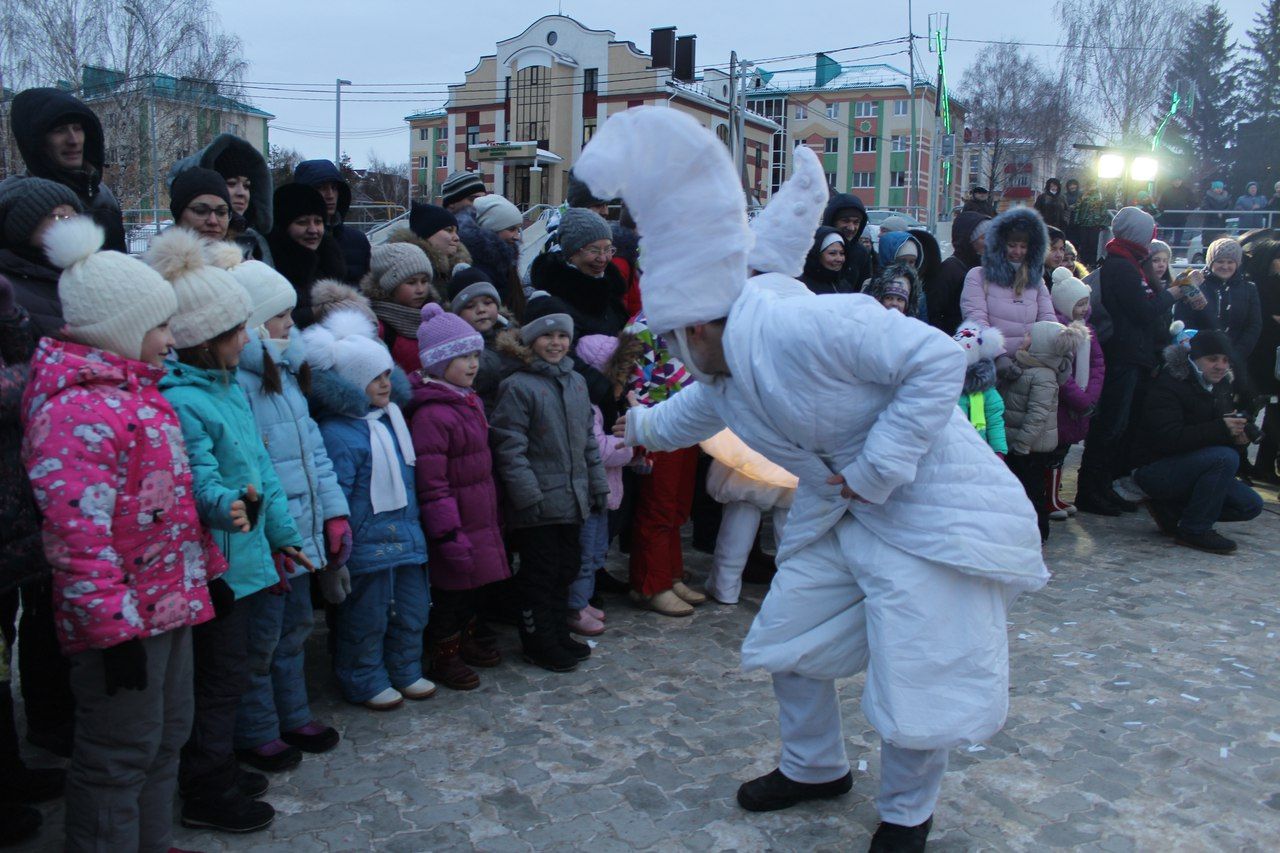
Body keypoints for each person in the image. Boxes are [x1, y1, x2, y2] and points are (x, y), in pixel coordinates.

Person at [580, 106, 1046, 850]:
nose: (672, 348)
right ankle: (813, 765)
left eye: (673, 335)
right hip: (841, 512)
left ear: (700, 322)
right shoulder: (725, 369)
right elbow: (684, 414)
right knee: (790, 639)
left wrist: (877, 467)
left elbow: (932, 359)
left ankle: (905, 814)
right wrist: (624, 429)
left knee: (921, 672)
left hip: (929, 510)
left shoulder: (808, 326)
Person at [20, 218, 229, 851]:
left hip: (169, 602)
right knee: (118, 751)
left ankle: (152, 839)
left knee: (166, 735)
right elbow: (77, 540)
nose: (173, 340)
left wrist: (205, 571)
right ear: (120, 327)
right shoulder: (75, 409)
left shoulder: (141, 394)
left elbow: (172, 507)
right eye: (161, 325)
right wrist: (111, 635)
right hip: (120, 622)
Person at [148, 228, 311, 833]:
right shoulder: (185, 402)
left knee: (230, 673)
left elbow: (262, 469)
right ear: (203, 339)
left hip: (247, 558)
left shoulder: (227, 391)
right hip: (215, 566)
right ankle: (205, 787)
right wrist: (226, 506)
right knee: (214, 683)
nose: (248, 339)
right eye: (237, 330)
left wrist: (282, 532)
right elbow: (200, 480)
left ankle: (213, 767)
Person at [229, 259, 348, 773]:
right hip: (268, 540)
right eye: (280, 316)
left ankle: (293, 713)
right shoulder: (240, 384)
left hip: (301, 533)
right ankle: (256, 730)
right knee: (260, 640)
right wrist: (263, 541)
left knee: (295, 628)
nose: (289, 326)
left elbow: (313, 452)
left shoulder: (286, 374)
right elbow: (246, 470)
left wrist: (334, 512)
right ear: (253, 322)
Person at [304, 310, 434, 710]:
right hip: (365, 543)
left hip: (406, 534)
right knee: (367, 616)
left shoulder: (392, 419)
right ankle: (363, 676)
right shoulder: (339, 432)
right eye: (374, 377)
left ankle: (405, 668)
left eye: (386, 375)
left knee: (411, 608)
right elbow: (336, 491)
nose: (385, 384)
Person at [490, 296, 610, 671]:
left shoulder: (575, 382)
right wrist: (527, 496)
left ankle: (558, 631)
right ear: (530, 340)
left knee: (566, 568)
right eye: (547, 336)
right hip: (538, 503)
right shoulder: (518, 386)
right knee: (539, 575)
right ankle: (538, 640)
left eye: (562, 335)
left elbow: (588, 441)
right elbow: (510, 447)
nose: (556, 343)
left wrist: (598, 485)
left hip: (572, 499)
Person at [407, 304, 510, 690]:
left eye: (474, 356)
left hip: (479, 515)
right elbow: (433, 485)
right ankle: (443, 654)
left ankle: (466, 640)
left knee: (473, 589)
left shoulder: (468, 400)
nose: (471, 365)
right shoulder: (433, 414)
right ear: (438, 362)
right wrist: (448, 533)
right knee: (451, 595)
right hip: (455, 523)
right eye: (461, 357)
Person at [0, 274, 64, 849]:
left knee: (2, 657)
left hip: (14, 518)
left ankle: (9, 772)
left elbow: (25, 365)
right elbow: (24, 384)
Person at [1076, 207, 1191, 516]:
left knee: (1119, 426)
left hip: (1131, 355)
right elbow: (1141, 311)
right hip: (1123, 354)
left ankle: (1102, 487)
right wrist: (1173, 294)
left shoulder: (1130, 263)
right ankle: (1090, 490)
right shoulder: (1122, 267)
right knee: (1110, 426)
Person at [1132, 330, 1263, 554]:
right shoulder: (1170, 382)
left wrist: (1239, 437)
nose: (1221, 366)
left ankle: (1172, 510)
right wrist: (1222, 429)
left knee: (1250, 505)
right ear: (1195, 358)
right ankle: (1195, 529)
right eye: (1213, 359)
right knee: (1224, 457)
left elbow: (1215, 439)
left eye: (1225, 360)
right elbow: (1167, 439)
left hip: (1193, 466)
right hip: (1155, 468)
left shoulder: (1221, 384)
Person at [622, 305, 703, 617]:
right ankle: (650, 584)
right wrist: (643, 428)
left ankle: (670, 573)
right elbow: (633, 382)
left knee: (677, 504)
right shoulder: (642, 325)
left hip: (689, 420)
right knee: (658, 505)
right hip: (659, 424)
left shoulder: (693, 317)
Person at [568, 333, 638, 633]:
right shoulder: (590, 408)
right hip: (592, 494)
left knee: (596, 551)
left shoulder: (606, 405)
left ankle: (583, 600)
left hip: (605, 493)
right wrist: (632, 443)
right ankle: (574, 607)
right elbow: (600, 449)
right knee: (584, 556)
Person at [5, 88, 125, 252]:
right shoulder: (17, 203)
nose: (73, 140)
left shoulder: (103, 196)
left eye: (77, 128)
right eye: (59, 130)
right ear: (37, 142)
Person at [1001, 320, 1086, 542]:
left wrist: (1023, 443)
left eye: (1029, 335)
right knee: (1020, 490)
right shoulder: (1025, 367)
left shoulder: (1044, 377)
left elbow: (1037, 415)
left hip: (1031, 448)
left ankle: (1039, 532)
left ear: (1041, 344)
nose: (1024, 338)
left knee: (1033, 491)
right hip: (1018, 443)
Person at [960, 206, 1055, 365]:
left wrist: (1050, 349)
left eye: (1023, 246)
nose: (1017, 252)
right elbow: (976, 319)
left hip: (1029, 360)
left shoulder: (1036, 282)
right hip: (992, 364)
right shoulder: (978, 276)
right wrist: (998, 355)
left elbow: (1048, 321)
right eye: (1012, 245)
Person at [1047, 267, 1104, 520]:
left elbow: (1097, 364)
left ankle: (1055, 496)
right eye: (1078, 305)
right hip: (1062, 405)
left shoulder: (1088, 332)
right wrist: (1080, 398)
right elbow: (1060, 371)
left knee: (1064, 453)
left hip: (1079, 405)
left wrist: (1091, 394)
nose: (1082, 309)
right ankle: (1047, 497)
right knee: (1052, 454)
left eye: (1085, 304)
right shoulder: (1058, 332)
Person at [1174, 238, 1262, 398]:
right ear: (1210, 262)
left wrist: (1235, 354)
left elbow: (1254, 325)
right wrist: (1204, 353)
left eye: (1230, 262)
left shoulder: (1249, 289)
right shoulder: (1194, 285)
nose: (1225, 266)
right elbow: (1184, 320)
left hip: (1235, 360)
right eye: (1220, 261)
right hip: (1200, 361)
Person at [0, 177, 84, 339]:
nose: (74, 224)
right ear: (22, 226)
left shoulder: (93, 271)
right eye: (59, 216)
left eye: (75, 215)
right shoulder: (7, 293)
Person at [169, 133, 274, 263]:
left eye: (247, 186)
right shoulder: (169, 249)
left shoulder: (255, 241)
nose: (242, 193)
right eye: (231, 183)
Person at [268, 183, 347, 327]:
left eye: (318, 222)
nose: (313, 230)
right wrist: (314, 312)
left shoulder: (330, 263)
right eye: (302, 222)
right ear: (283, 226)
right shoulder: (270, 267)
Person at [447, 268, 521, 415]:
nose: (481, 310)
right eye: (470, 306)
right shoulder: (457, 352)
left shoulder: (516, 337)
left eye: (488, 302)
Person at [361, 242, 438, 373]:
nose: (420, 290)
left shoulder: (436, 316)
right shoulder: (376, 327)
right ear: (390, 285)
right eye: (411, 282)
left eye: (424, 281)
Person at [293, 159, 371, 283]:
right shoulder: (290, 242)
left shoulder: (358, 241)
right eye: (320, 188)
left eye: (334, 188)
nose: (330, 195)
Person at [1242, 231, 1280, 482]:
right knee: (1248, 408)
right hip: (1257, 356)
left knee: (1276, 413)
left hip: (1276, 359)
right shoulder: (1256, 285)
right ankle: (1240, 462)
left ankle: (1266, 464)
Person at [458, 194, 526, 316]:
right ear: (491, 230)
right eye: (511, 229)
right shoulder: (479, 266)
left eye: (518, 229)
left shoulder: (505, 260)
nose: (517, 236)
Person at [928, 211, 989, 334]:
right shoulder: (949, 269)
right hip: (955, 340)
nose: (989, 242)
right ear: (968, 240)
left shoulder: (988, 268)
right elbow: (934, 312)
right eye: (983, 237)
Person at [953, 322, 1008, 457]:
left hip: (977, 452)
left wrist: (998, 450)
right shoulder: (946, 385)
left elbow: (994, 421)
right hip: (949, 450)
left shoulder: (985, 390)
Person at [386, 202, 470, 286]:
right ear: (426, 234)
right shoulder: (404, 270)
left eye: (456, 231)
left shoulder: (459, 269)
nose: (457, 238)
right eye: (449, 230)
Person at [820, 192, 873, 291]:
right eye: (845, 221)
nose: (851, 228)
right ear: (832, 221)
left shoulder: (861, 253)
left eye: (856, 222)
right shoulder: (815, 247)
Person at [169, 166, 234, 242]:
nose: (213, 221)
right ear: (179, 215)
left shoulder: (244, 252)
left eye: (221, 212)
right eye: (201, 211)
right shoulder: (158, 253)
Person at [797, 227, 845, 295]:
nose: (839, 259)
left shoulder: (844, 285)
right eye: (832, 253)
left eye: (842, 253)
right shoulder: (801, 287)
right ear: (816, 255)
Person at [1073, 184, 1110, 267]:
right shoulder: (1083, 196)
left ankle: (1092, 261)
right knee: (1084, 243)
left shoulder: (1100, 196)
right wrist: (1076, 220)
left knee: (1093, 243)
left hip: (1095, 223)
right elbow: (1078, 208)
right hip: (1084, 223)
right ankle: (1083, 261)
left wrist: (1103, 222)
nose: (1092, 187)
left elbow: (1103, 210)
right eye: (1091, 185)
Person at [1158, 176, 1197, 250]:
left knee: (1178, 238)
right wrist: (1164, 211)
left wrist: (1186, 212)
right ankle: (1164, 252)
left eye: (1179, 180)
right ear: (1172, 181)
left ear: (1181, 181)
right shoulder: (1167, 191)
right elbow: (1161, 204)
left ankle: (1175, 253)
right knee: (1167, 236)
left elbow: (1193, 203)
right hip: (1169, 218)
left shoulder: (1186, 191)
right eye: (1175, 180)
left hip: (1181, 218)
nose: (1177, 182)